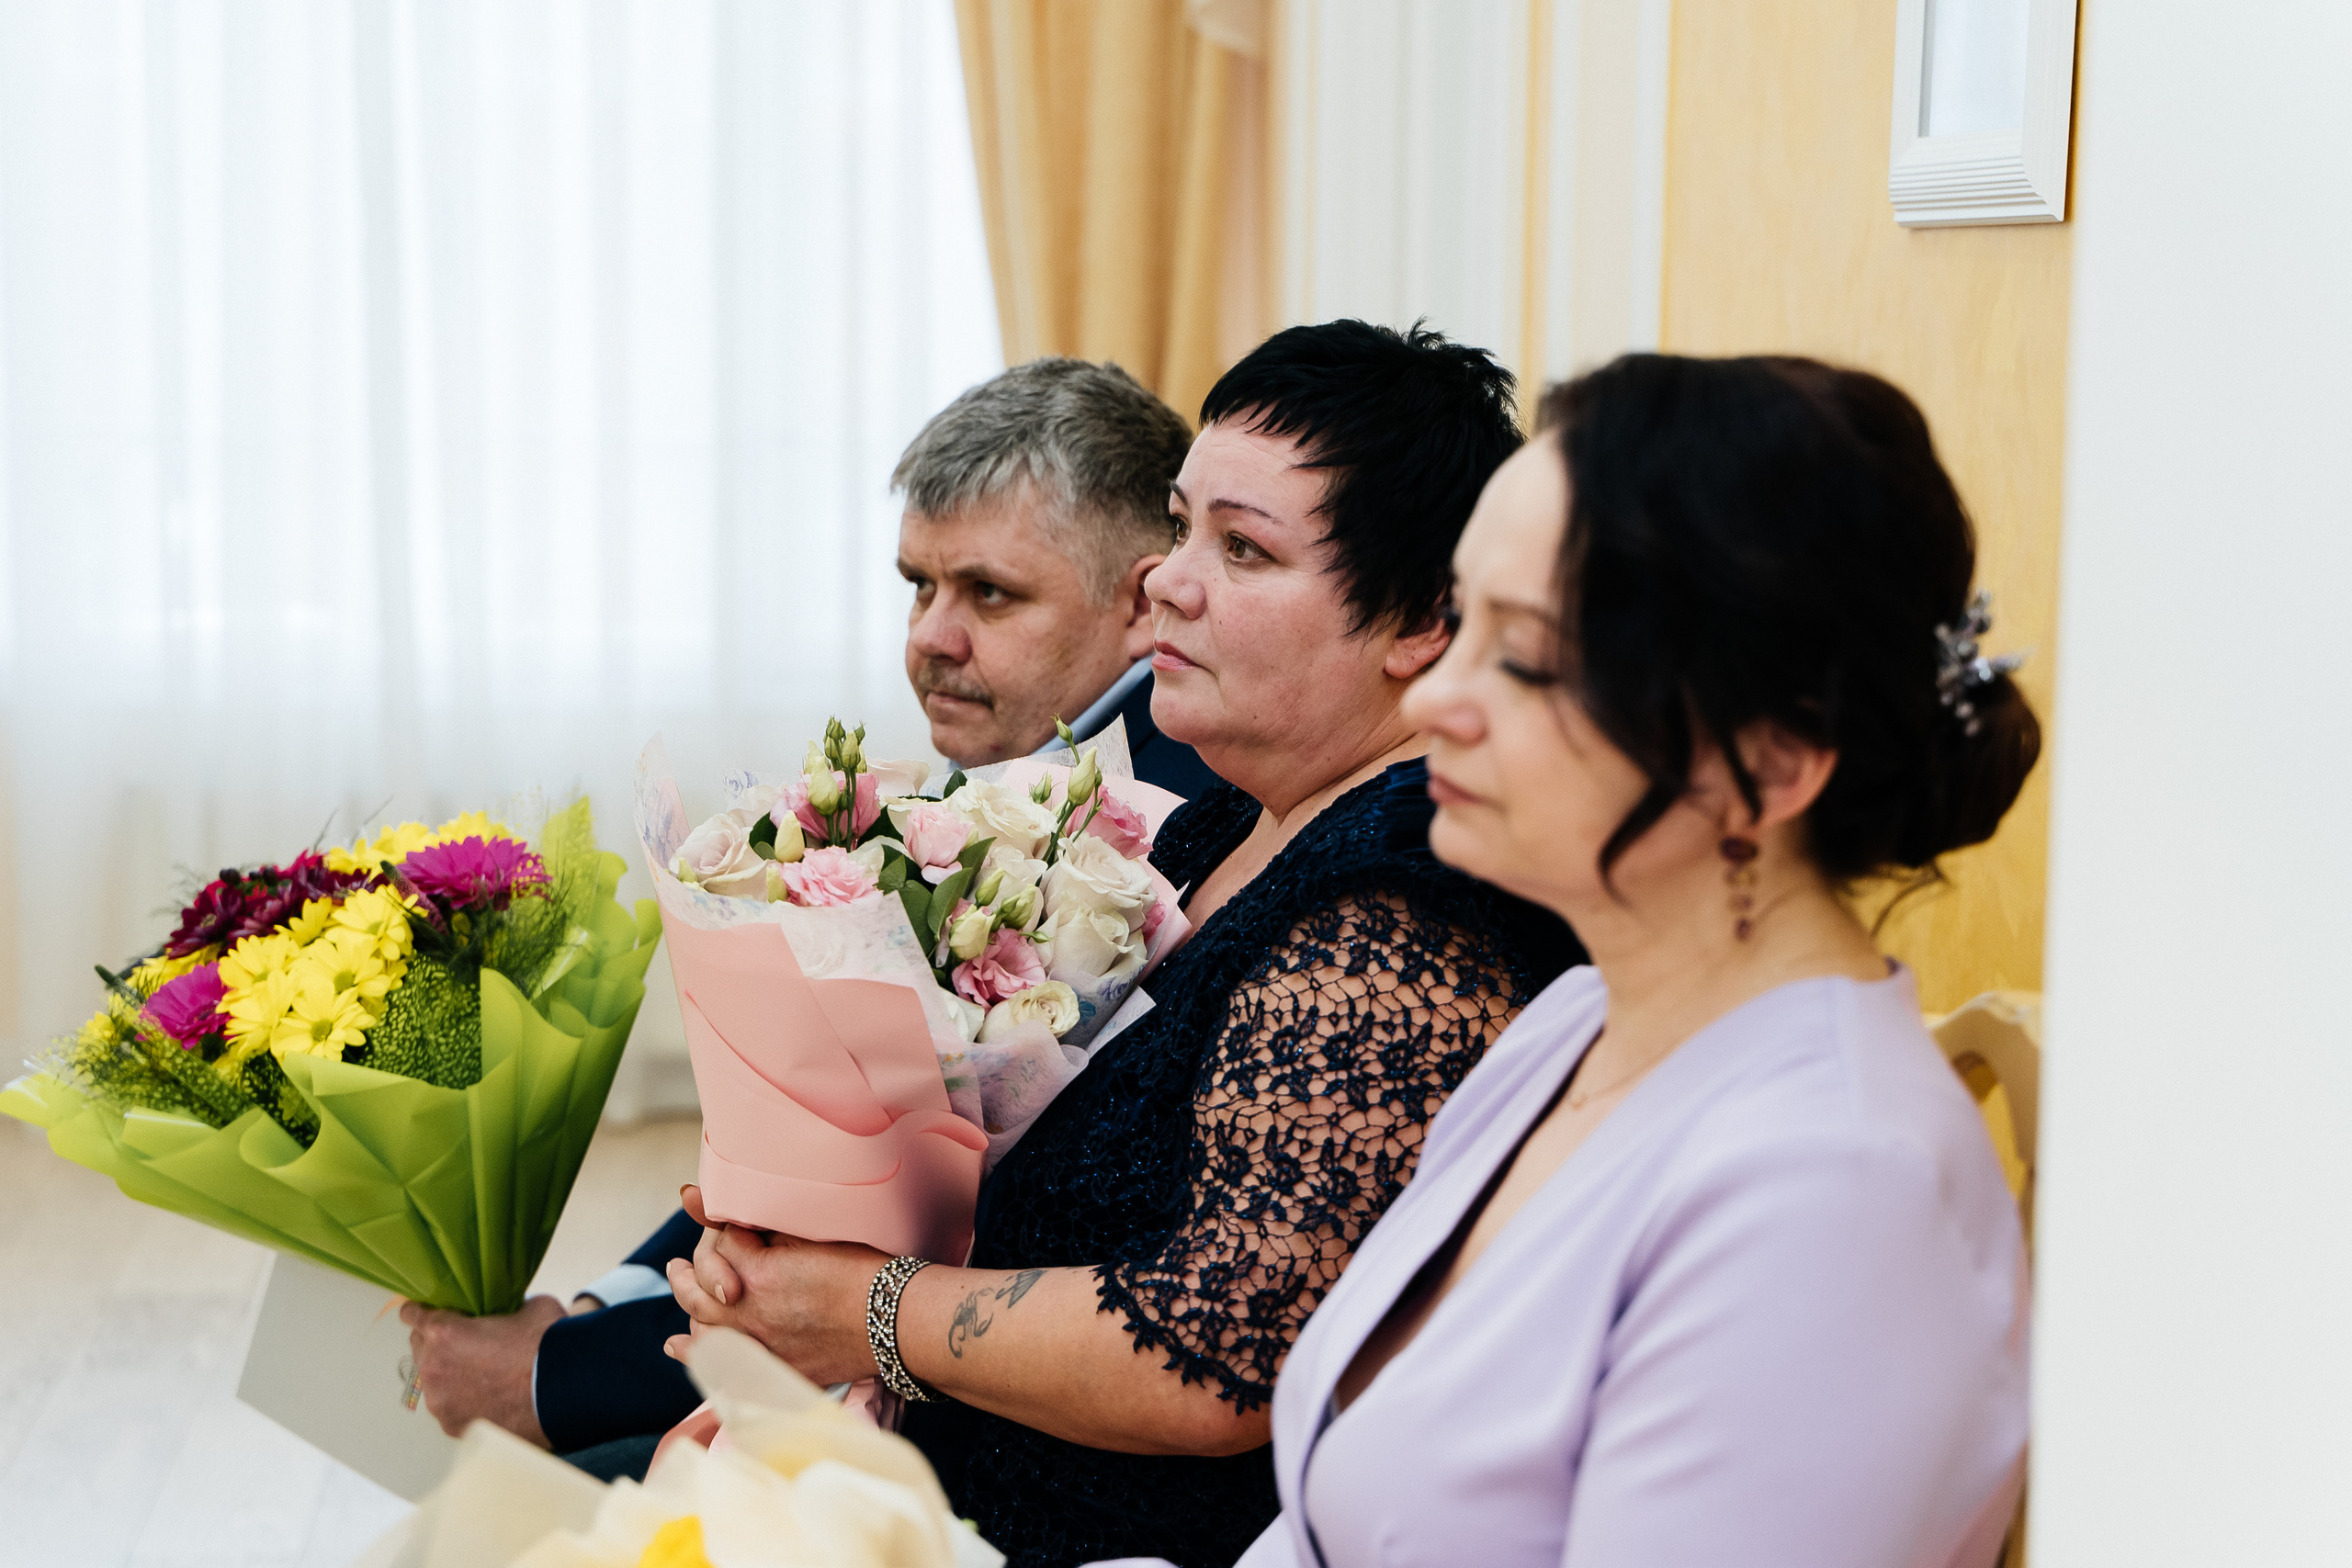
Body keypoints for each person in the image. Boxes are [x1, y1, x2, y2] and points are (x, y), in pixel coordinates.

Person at [665, 321, 1587, 1568]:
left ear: (1420, 618)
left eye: (1244, 549)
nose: (1168, 579)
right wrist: (808, 1223)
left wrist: (864, 1311)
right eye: (1181, 522)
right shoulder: (1218, 825)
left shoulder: (1397, 908)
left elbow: (1217, 1356)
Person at [1193, 354, 2038, 1568]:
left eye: (1526, 655)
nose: (1434, 701)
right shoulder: (1574, 1020)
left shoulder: (1837, 1190)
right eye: (1459, 620)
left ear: (1776, 755)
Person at [399, 357, 1218, 1474]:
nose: (931, 637)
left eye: (989, 593)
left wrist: (556, 1375)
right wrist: (598, 1304)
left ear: (1141, 600)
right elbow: (805, 1150)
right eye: (917, 586)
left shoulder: (1146, 853)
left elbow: (932, 1240)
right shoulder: (1007, 786)